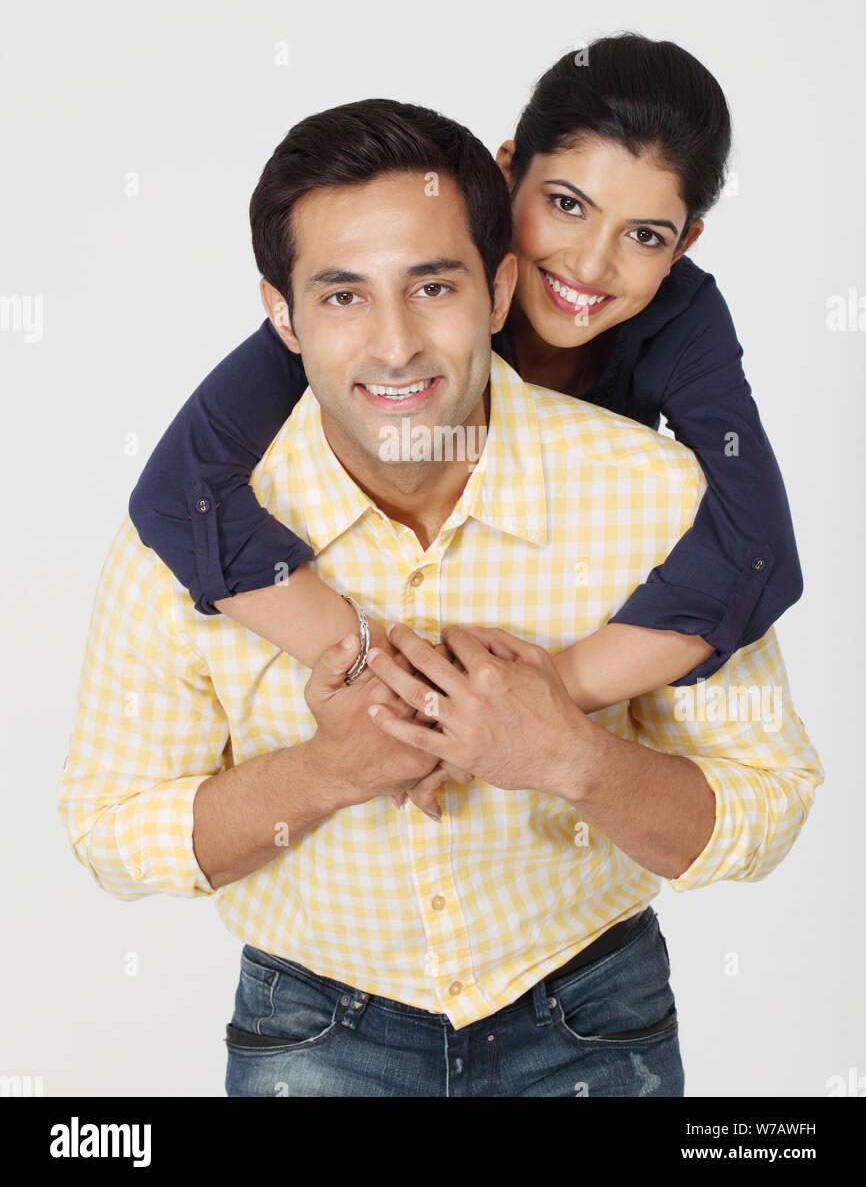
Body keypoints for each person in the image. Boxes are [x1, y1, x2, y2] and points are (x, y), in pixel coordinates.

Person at [58, 97, 823, 1098]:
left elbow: (767, 802)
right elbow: (110, 827)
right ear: (280, 314)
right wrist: (330, 770)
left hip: (590, 1021)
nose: (393, 346)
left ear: (501, 287)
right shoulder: (189, 532)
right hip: (311, 1031)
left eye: (432, 287)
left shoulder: (658, 494)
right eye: (340, 297)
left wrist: (568, 753)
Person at [127, 34, 803, 821]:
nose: (589, 265)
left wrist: (539, 701)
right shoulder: (402, 296)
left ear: (684, 245)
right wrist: (394, 682)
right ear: (507, 167)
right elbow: (180, 492)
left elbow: (756, 543)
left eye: (645, 235)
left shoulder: (683, 320)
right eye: (566, 204)